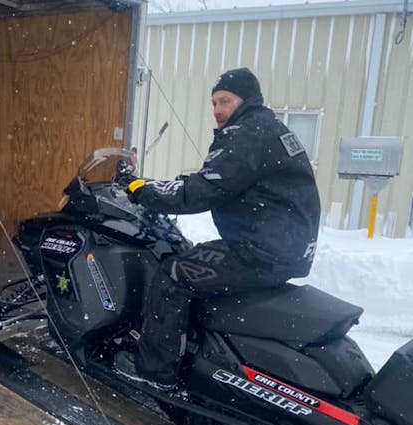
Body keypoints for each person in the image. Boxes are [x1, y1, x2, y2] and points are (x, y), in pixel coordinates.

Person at [114, 67, 321, 390]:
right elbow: (214, 181)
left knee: (174, 274)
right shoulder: (268, 129)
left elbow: (201, 192)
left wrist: (141, 189)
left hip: (261, 252)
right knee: (193, 255)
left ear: (247, 100)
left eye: (225, 100)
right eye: (213, 103)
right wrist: (159, 186)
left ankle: (155, 372)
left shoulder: (247, 135)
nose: (218, 110)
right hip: (280, 246)